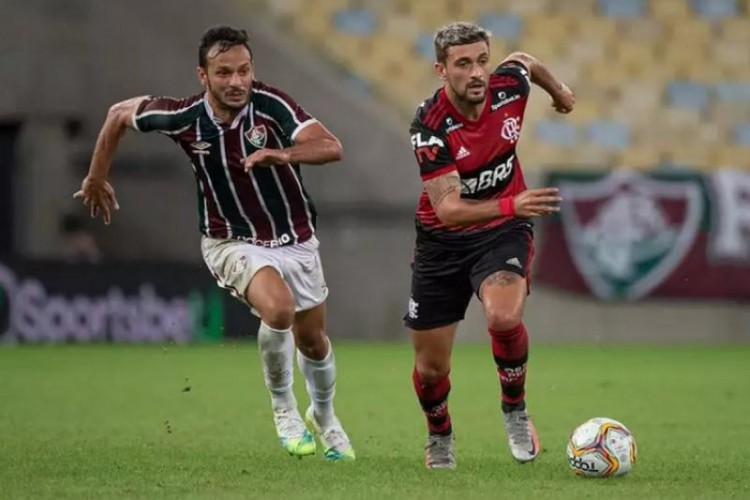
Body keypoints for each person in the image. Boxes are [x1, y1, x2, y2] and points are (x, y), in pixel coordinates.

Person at [73, 25, 355, 461]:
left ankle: (325, 416)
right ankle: (285, 411)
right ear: (203, 76)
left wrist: (281, 154)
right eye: (224, 72)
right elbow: (117, 115)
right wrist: (95, 176)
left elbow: (330, 146)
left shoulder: (271, 104)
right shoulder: (183, 117)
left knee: (313, 339)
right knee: (277, 308)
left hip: (296, 240)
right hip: (230, 240)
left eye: (244, 70)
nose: (237, 82)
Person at [405, 22, 575, 469]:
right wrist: (511, 201)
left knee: (503, 314)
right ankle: (439, 435)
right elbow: (449, 210)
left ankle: (515, 410)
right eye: (463, 64)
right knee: (431, 369)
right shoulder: (429, 124)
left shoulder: (507, 87)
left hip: (502, 231)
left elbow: (525, 61)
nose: (477, 72)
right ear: (441, 70)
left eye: (482, 60)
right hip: (442, 244)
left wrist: (559, 93)